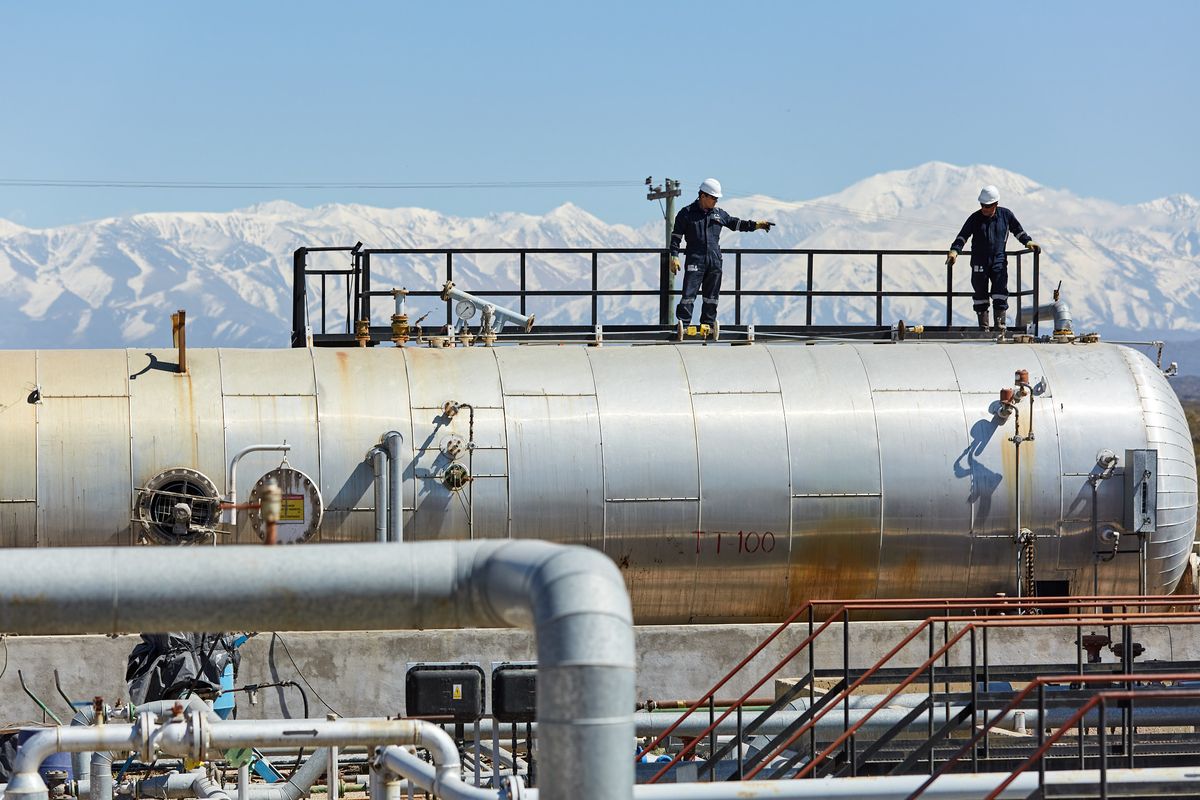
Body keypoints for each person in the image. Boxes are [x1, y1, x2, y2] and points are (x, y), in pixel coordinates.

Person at [670, 178, 774, 333]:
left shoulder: (719, 214)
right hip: (695, 259)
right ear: (703, 196)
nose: (715, 201)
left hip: (714, 261)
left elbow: (736, 224)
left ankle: (708, 324)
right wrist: (674, 256)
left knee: (711, 296)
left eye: (717, 199)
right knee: (688, 294)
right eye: (713, 198)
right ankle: (683, 325)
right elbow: (676, 237)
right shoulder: (686, 214)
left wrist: (756, 225)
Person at [946, 185, 1040, 332]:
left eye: (988, 206)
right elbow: (962, 236)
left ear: (996, 204)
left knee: (1000, 292)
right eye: (982, 205)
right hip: (979, 261)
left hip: (999, 260)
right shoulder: (975, 218)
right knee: (980, 294)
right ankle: (983, 328)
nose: (985, 208)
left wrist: (1028, 242)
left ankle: (999, 327)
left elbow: (1018, 231)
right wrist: (954, 251)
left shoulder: (1006, 215)